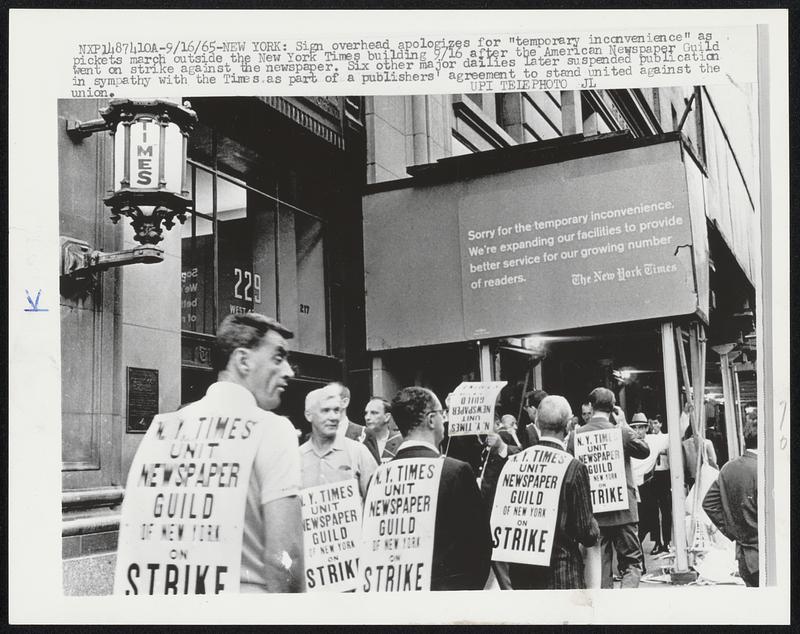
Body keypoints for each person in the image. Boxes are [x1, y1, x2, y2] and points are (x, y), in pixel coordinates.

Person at [205, 313, 304, 592]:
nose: (289, 371)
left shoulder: (165, 429)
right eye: (278, 357)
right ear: (243, 361)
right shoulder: (273, 429)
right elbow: (285, 558)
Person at [484, 396, 600, 589]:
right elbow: (586, 532)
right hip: (562, 577)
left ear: (537, 422)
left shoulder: (514, 462)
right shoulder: (573, 467)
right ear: (569, 425)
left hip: (522, 578)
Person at [390, 386, 492, 590]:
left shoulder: (379, 475)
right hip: (448, 600)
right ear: (430, 420)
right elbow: (480, 547)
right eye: (441, 414)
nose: (445, 419)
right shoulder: (455, 471)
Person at [568, 387, 650, 588]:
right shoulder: (621, 432)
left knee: (600, 566)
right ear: (613, 407)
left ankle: (605, 608)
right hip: (624, 511)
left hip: (594, 511)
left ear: (591, 406)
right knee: (631, 561)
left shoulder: (576, 436)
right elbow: (644, 450)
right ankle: (625, 604)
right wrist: (623, 423)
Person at [703, 411, 759, 587]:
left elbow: (709, 503)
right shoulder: (766, 469)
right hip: (765, 555)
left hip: (744, 555)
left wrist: (733, 530)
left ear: (744, 439)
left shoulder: (728, 468)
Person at [300, 387, 377, 499]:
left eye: (336, 410)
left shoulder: (358, 452)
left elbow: (376, 501)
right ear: (308, 415)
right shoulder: (296, 458)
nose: (334, 417)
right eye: (325, 410)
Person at [362, 396, 403, 464]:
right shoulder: (361, 440)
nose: (367, 417)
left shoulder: (400, 441)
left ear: (387, 417)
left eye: (374, 413)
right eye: (366, 413)